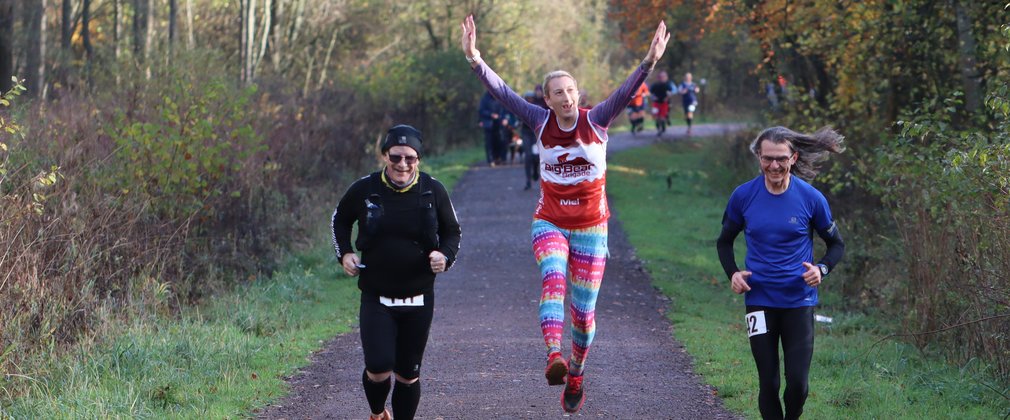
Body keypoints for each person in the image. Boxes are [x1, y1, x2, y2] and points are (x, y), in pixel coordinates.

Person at [461, 14, 670, 414]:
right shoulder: (539, 122)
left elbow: (626, 93)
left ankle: (576, 372)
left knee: (585, 313)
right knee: (553, 279)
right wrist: (475, 59)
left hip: (593, 226)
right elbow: (503, 92)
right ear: (547, 99)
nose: (566, 97)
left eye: (571, 90)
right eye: (558, 92)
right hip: (550, 221)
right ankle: (553, 355)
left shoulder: (598, 119)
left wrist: (649, 62)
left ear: (578, 93)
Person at [331, 124, 462, 420]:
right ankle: (378, 413)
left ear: (419, 159)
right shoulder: (365, 188)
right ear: (385, 156)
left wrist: (445, 255)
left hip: (418, 297)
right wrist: (345, 253)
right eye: (396, 157)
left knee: (407, 374)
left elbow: (453, 231)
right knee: (378, 368)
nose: (402, 164)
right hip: (376, 294)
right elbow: (340, 220)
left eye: (410, 158)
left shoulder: (433, 190)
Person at [715, 126, 846, 420]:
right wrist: (733, 274)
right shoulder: (743, 196)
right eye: (767, 158)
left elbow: (836, 245)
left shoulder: (811, 198)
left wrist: (821, 269)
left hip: (799, 302)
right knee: (769, 382)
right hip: (759, 301)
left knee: (798, 385)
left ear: (794, 157)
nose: (774, 165)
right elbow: (724, 241)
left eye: (781, 158)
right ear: (759, 158)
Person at [479, 91, 505, 166]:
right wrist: (491, 115)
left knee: (499, 141)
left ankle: (498, 158)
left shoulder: (499, 97)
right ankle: (491, 160)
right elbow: (481, 111)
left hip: (498, 124)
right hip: (488, 124)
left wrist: (503, 118)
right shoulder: (484, 99)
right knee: (489, 143)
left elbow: (503, 109)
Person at [649, 71, 674, 136]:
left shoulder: (668, 85)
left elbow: (670, 93)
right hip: (656, 103)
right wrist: (653, 97)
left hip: (664, 103)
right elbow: (650, 93)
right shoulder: (655, 85)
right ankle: (659, 129)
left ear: (666, 77)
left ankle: (663, 126)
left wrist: (667, 97)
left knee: (662, 117)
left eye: (664, 76)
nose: (662, 78)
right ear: (658, 78)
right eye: (661, 77)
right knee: (656, 117)